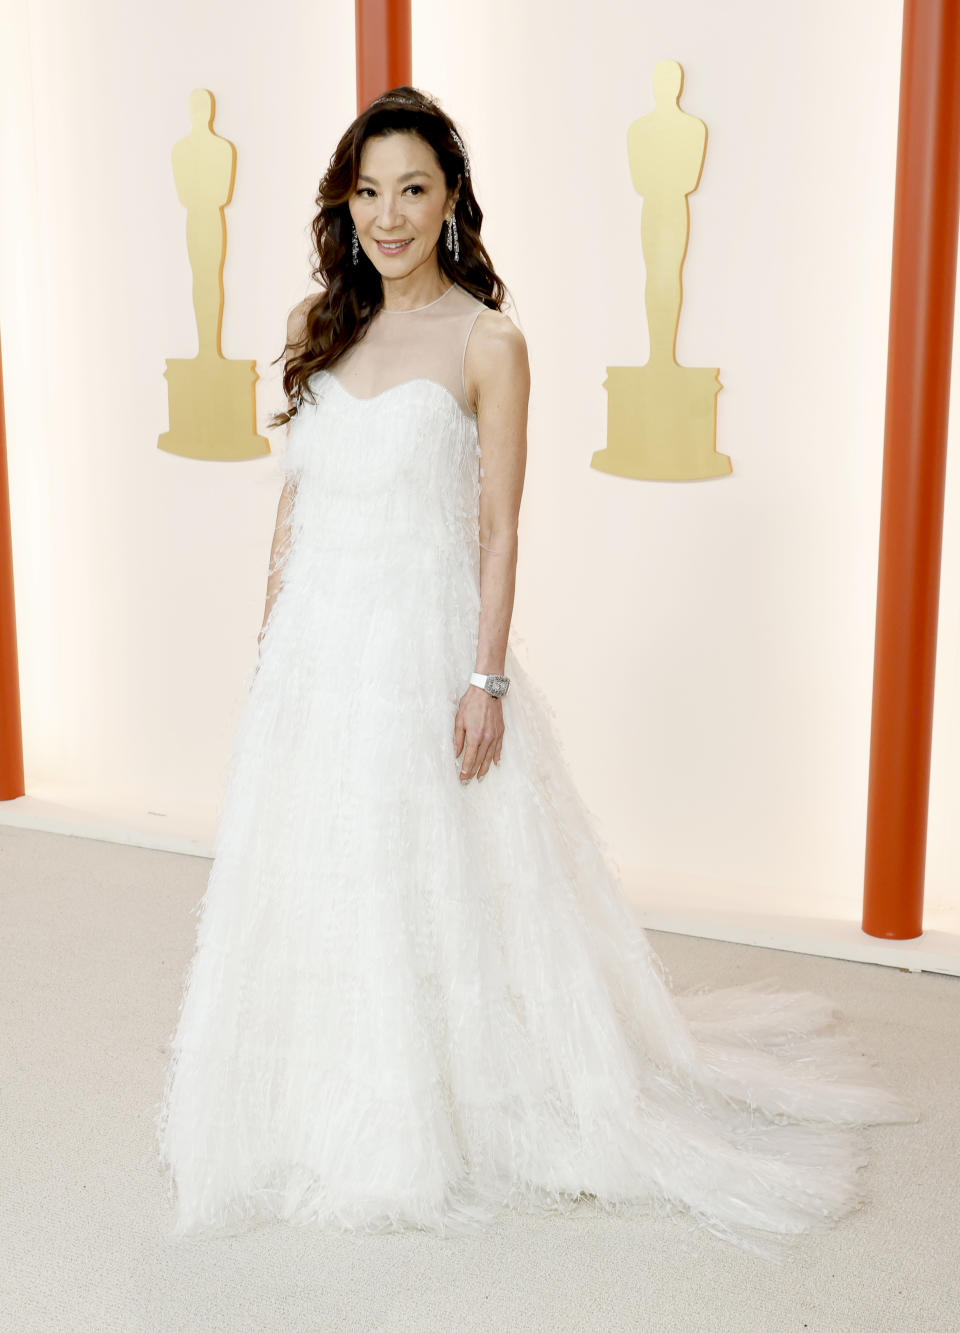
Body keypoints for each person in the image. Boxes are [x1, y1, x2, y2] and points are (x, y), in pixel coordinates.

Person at [156, 86, 917, 1258]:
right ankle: (321, 1095)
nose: (389, 216)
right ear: (344, 206)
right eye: (368, 192)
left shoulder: (488, 341)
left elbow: (501, 529)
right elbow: (296, 504)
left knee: (432, 884)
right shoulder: (326, 323)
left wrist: (485, 680)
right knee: (317, 876)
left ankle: (444, 1101)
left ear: (452, 199)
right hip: (318, 652)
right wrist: (269, 652)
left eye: (413, 189)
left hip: (421, 648)